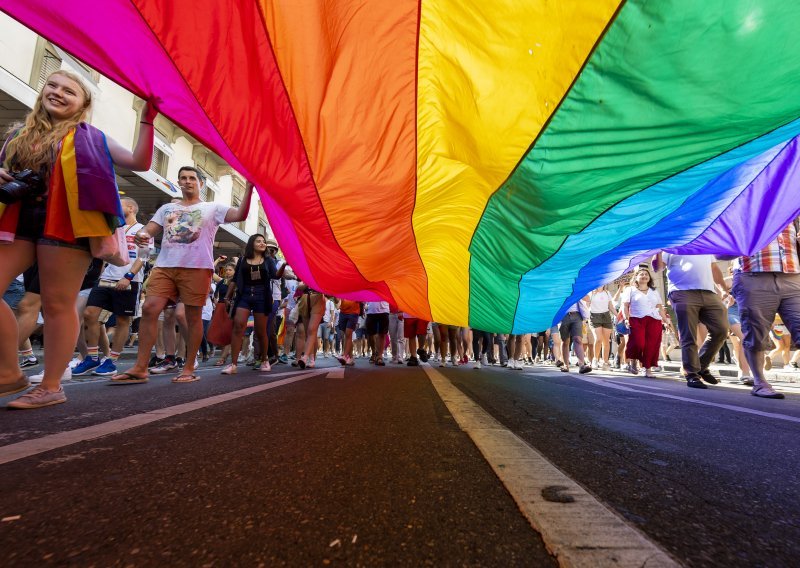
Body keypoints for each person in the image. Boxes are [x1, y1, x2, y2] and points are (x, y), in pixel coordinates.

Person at [0, 70, 158, 408]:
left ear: (82, 104)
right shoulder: (18, 135)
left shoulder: (92, 136)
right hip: (20, 221)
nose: (56, 92)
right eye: (52, 86)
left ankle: (52, 386)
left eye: (68, 90)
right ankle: (10, 372)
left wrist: (147, 120)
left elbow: (140, 162)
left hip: (69, 224)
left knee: (57, 304)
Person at [111, 166, 253, 384]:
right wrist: (141, 235)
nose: (187, 181)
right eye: (183, 178)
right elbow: (148, 230)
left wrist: (250, 187)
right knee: (149, 309)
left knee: (191, 316)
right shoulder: (167, 208)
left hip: (197, 268)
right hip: (165, 266)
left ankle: (188, 367)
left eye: (191, 178)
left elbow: (240, 215)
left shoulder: (212, 207)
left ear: (201, 184)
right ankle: (140, 368)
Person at [75, 197, 151, 377]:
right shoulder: (114, 228)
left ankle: (112, 361)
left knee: (122, 321)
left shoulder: (143, 230)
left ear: (131, 208)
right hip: (106, 278)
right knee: (89, 314)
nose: (116, 207)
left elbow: (144, 257)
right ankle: (92, 358)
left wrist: (129, 276)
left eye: (121, 205)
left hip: (129, 280)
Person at [654, 253, 728, 389]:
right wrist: (657, 251)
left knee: (721, 330)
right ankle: (692, 374)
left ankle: (701, 365)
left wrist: (723, 289)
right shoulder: (671, 246)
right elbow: (657, 268)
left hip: (708, 292)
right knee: (689, 334)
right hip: (681, 291)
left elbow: (714, 268)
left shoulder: (703, 244)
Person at [222, 234, 283, 375]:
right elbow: (235, 280)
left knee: (261, 331)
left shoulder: (268, 260)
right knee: (238, 325)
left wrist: (284, 264)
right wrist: (227, 296)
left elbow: (276, 276)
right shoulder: (243, 260)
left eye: (263, 242)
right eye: (258, 241)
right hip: (244, 295)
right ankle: (233, 364)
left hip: (262, 296)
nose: (262, 243)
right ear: (252, 244)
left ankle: (264, 360)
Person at [622, 268, 666, 378]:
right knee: (638, 342)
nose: (644, 276)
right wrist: (626, 319)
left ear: (649, 278)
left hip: (654, 319)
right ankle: (633, 361)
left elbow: (659, 306)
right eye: (641, 274)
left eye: (646, 274)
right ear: (636, 277)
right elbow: (625, 306)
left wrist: (665, 319)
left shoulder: (654, 291)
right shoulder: (630, 290)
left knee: (651, 345)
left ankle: (647, 369)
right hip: (636, 319)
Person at [588, 285, 616, 371]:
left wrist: (618, 315)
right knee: (598, 339)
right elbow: (586, 305)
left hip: (606, 316)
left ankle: (605, 363)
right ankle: (595, 359)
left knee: (606, 341)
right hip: (594, 316)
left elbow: (610, 306)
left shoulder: (607, 293)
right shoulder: (591, 292)